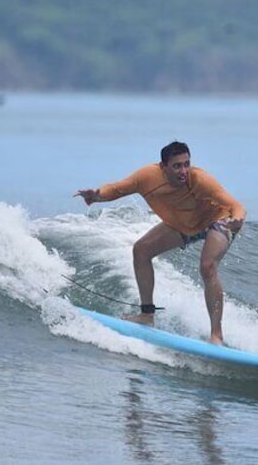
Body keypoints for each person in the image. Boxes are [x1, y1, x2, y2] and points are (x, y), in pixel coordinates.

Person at [75, 141, 245, 345]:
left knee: (207, 267)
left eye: (186, 164)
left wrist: (237, 219)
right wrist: (97, 196)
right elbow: (118, 189)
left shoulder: (200, 179)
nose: (184, 170)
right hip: (184, 225)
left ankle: (216, 335)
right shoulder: (147, 177)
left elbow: (235, 205)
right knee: (141, 250)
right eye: (177, 166)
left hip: (218, 220)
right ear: (163, 167)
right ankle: (147, 315)